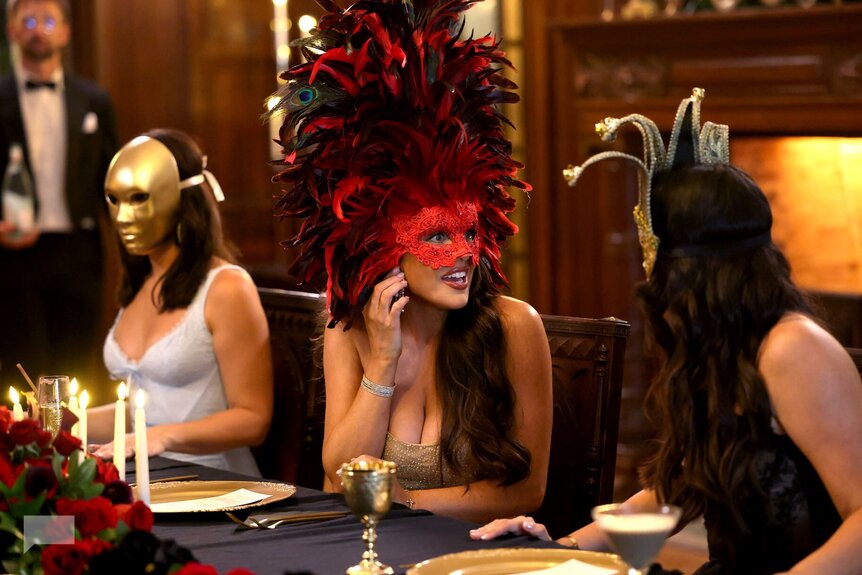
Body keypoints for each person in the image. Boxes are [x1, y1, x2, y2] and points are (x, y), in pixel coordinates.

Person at [469, 89, 862, 574]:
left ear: (685, 272)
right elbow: (675, 493)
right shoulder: (724, 347)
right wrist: (558, 549)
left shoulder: (793, 349)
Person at [268, 0, 553, 522]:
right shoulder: (349, 329)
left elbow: (524, 493)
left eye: (469, 231)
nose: (465, 252)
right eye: (437, 234)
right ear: (380, 242)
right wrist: (382, 360)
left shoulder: (515, 327)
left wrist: (405, 506)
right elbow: (338, 476)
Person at [88, 129, 273, 477]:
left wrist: (160, 436)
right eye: (114, 199)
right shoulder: (142, 282)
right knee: (41, 525)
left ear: (180, 198)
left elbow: (254, 419)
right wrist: (64, 418)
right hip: (142, 478)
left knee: (75, 526)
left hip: (215, 488)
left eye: (138, 197)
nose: (123, 216)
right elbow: (144, 410)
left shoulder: (227, 287)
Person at [0, 0, 119, 388]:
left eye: (48, 20)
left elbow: (111, 183)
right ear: (12, 30)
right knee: (20, 370)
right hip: (13, 255)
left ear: (65, 31)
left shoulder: (94, 101)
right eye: (29, 20)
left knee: (76, 367)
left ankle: (72, 447)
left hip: (80, 252)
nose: (39, 29)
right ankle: (20, 447)